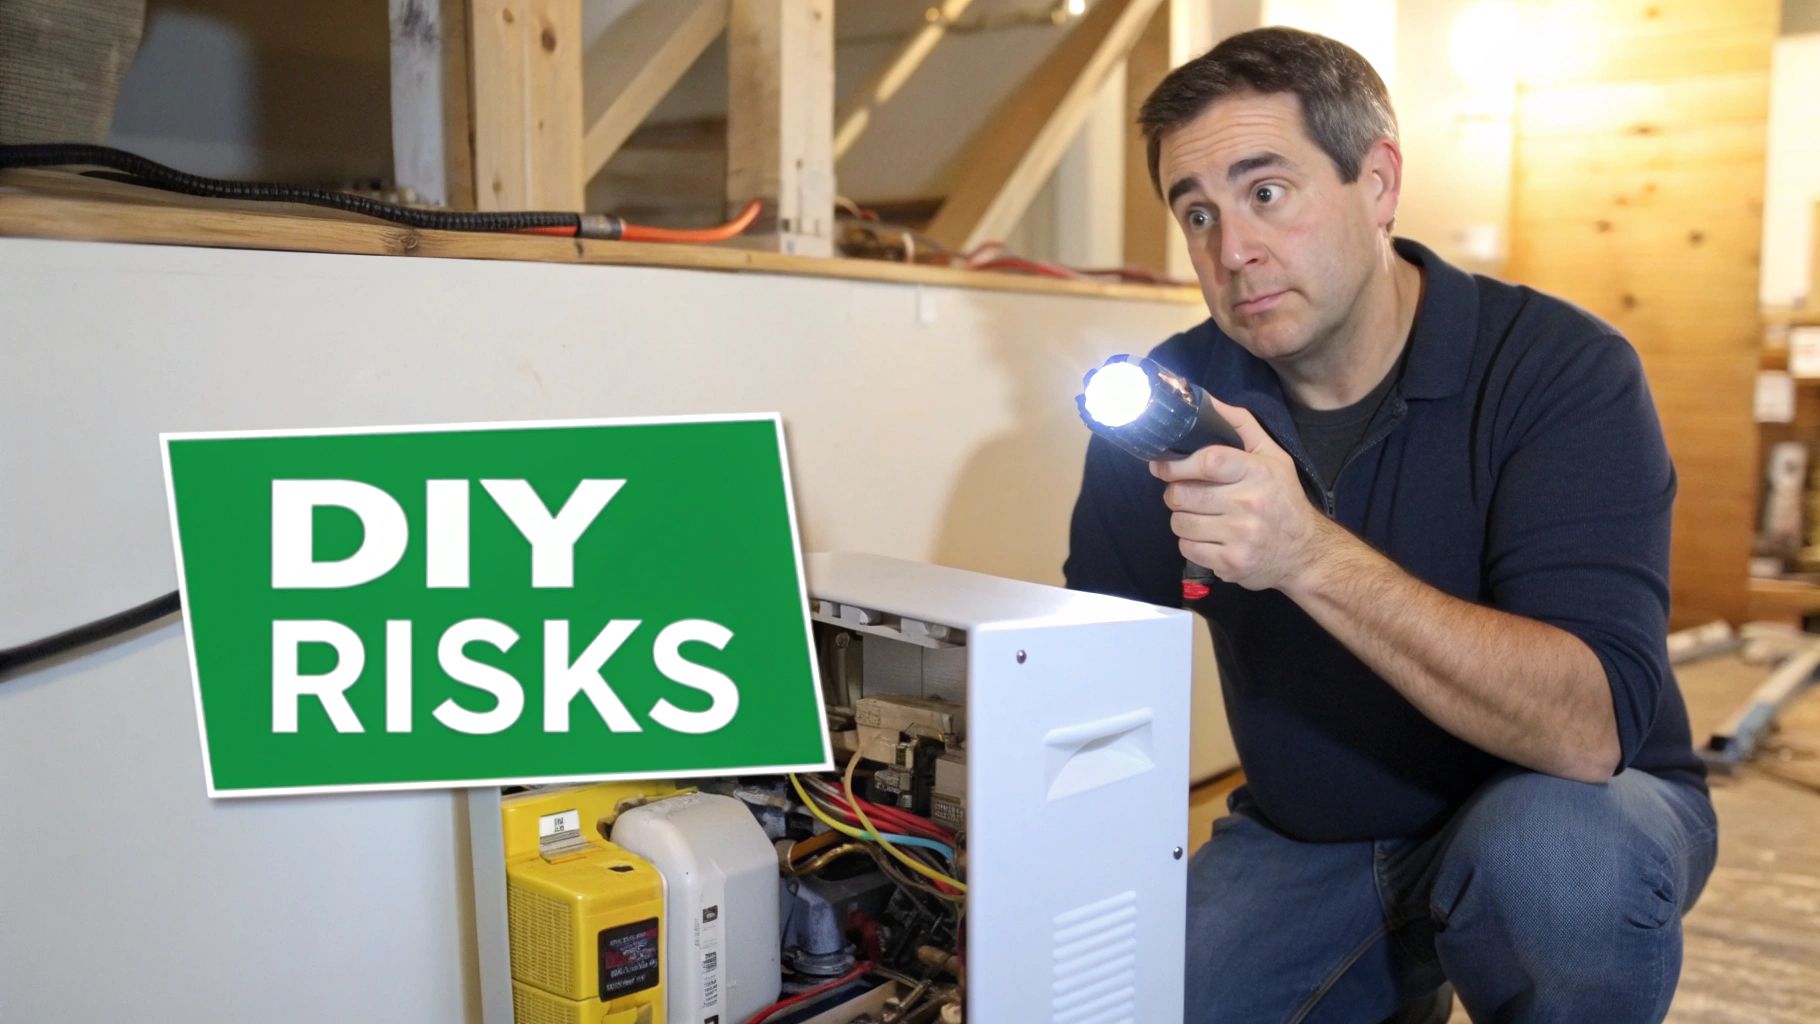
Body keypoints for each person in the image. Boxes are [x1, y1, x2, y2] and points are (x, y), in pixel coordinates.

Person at [1063, 26, 1717, 1024]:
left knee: (1553, 873)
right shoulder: (1164, 400)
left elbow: (1584, 731)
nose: (1230, 249)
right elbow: (1087, 673)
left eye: (1265, 192)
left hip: (1567, 806)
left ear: (1376, 183)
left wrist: (1304, 553)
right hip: (1312, 830)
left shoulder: (1558, 369)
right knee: (1128, 1002)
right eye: (1195, 213)